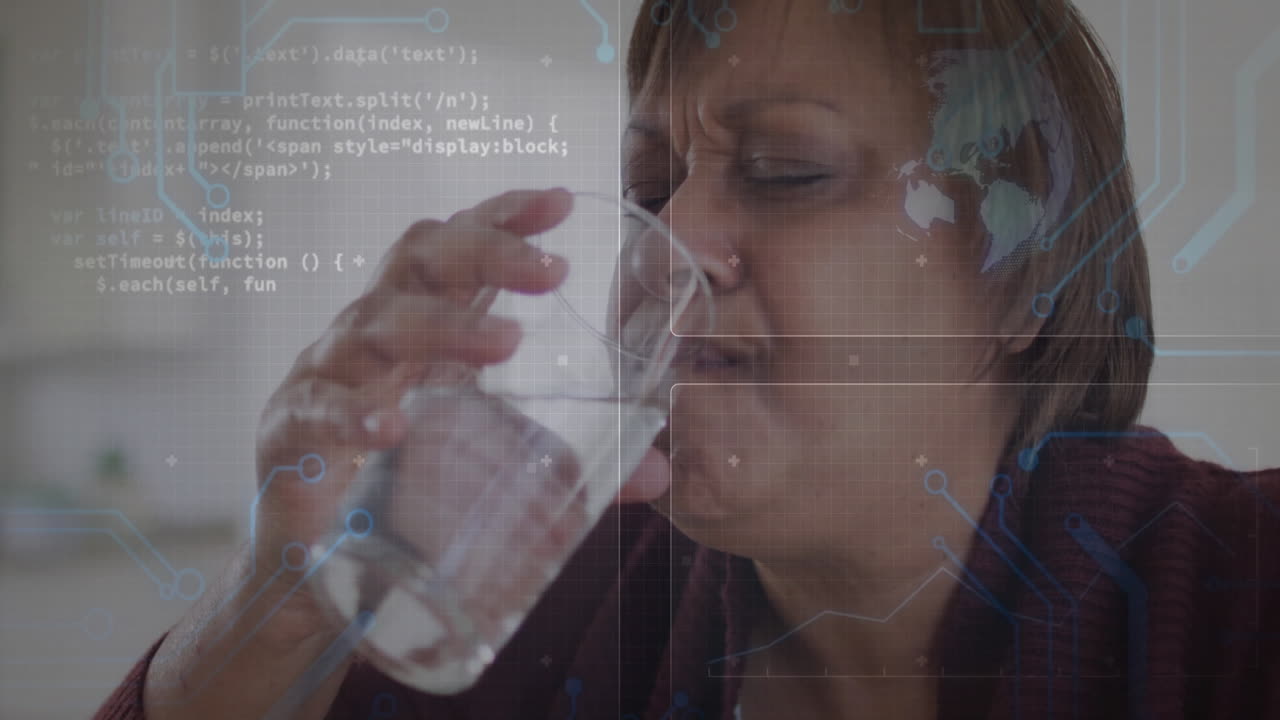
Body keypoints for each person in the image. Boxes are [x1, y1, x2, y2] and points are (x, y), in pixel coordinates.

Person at [96, 0, 1280, 718]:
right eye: (648, 189)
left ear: (1025, 270)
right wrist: (278, 602)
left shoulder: (1238, 605)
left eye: (785, 172)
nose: (673, 247)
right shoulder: (552, 617)